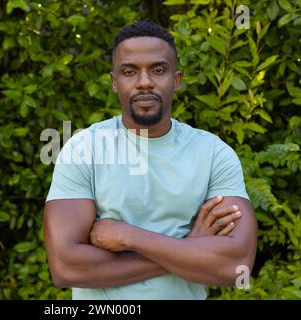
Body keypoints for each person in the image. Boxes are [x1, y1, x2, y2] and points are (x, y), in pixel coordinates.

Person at [44, 21, 257, 300]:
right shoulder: (84, 149)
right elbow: (66, 267)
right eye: (129, 71)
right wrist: (189, 248)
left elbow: (235, 266)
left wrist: (128, 237)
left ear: (176, 80)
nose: (144, 82)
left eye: (158, 70)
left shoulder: (213, 154)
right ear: (114, 82)